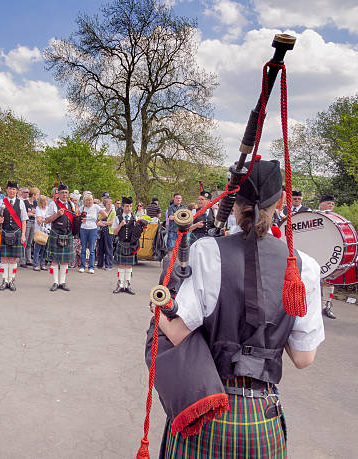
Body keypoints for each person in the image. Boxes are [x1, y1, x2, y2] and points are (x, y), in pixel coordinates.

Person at [151, 159, 324, 458]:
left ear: (233, 202)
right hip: (262, 417)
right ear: (281, 201)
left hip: (207, 407)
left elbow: (177, 332)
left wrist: (158, 297)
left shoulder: (206, 251)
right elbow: (303, 358)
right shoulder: (304, 266)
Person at [0, 181, 28, 291]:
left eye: (14, 189)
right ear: (7, 190)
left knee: (13, 259)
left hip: (16, 233)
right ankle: (4, 280)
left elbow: (23, 220)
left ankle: (11, 280)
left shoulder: (21, 203)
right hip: (4, 232)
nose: (12, 191)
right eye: (10, 189)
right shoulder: (0, 202)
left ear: (17, 191)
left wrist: (23, 235)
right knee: (3, 259)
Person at [45, 184, 76, 291]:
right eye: (62, 192)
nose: (64, 194)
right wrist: (57, 215)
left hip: (68, 234)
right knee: (54, 260)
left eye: (66, 193)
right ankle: (55, 282)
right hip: (56, 233)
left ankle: (62, 282)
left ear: (68, 194)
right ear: (58, 194)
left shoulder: (71, 204)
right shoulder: (53, 204)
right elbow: (47, 220)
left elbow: (75, 218)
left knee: (65, 261)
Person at [112, 196, 144, 294]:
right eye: (127, 206)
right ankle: (120, 285)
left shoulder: (136, 218)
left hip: (131, 245)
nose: (129, 208)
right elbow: (114, 232)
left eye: (130, 206)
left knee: (129, 265)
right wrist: (120, 225)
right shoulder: (118, 218)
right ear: (122, 207)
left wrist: (143, 228)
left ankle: (127, 285)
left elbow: (139, 231)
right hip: (121, 243)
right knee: (121, 265)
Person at [318, 194, 337, 319]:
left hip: (329, 253)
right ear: (321, 204)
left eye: (332, 204)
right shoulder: (313, 215)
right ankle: (314, 308)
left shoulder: (336, 218)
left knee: (329, 283)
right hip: (315, 252)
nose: (331, 206)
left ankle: (327, 307)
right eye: (328, 203)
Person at [78, 193, 107, 274]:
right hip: (83, 229)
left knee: (92, 249)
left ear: (92, 200)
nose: (89, 201)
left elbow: (105, 214)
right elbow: (77, 217)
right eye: (87, 200)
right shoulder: (82, 208)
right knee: (83, 249)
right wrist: (81, 219)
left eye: (90, 200)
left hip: (93, 229)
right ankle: (82, 266)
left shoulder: (96, 207)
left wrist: (98, 220)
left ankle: (91, 267)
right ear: (84, 201)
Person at [96, 198, 116, 270]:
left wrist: (103, 223)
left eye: (111, 203)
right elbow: (97, 222)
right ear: (105, 205)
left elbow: (111, 223)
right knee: (100, 248)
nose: (110, 205)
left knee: (108, 249)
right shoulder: (102, 212)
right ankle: (100, 264)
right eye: (108, 204)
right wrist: (103, 223)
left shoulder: (113, 212)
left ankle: (109, 265)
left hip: (109, 232)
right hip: (101, 232)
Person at [166, 193, 187, 257]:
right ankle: (170, 264)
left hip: (182, 230)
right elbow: (170, 217)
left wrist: (176, 216)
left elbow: (187, 217)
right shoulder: (171, 207)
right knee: (171, 247)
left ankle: (178, 264)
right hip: (173, 230)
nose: (178, 199)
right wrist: (181, 216)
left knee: (181, 248)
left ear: (181, 199)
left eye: (179, 198)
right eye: (177, 198)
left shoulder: (184, 207)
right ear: (174, 199)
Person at [20, 186, 37, 267]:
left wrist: (32, 213)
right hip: (27, 222)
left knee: (30, 242)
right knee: (24, 241)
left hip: (33, 222)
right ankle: (22, 260)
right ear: (33, 195)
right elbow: (24, 214)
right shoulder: (25, 202)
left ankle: (28, 259)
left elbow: (36, 213)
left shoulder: (35, 203)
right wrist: (32, 213)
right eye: (36, 194)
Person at [33, 195, 50, 271]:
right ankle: (35, 264)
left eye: (46, 201)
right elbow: (39, 220)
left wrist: (45, 220)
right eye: (44, 201)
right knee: (37, 248)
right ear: (40, 202)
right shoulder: (38, 209)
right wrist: (46, 220)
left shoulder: (48, 209)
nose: (45, 203)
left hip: (47, 230)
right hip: (39, 231)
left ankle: (42, 264)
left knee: (44, 248)